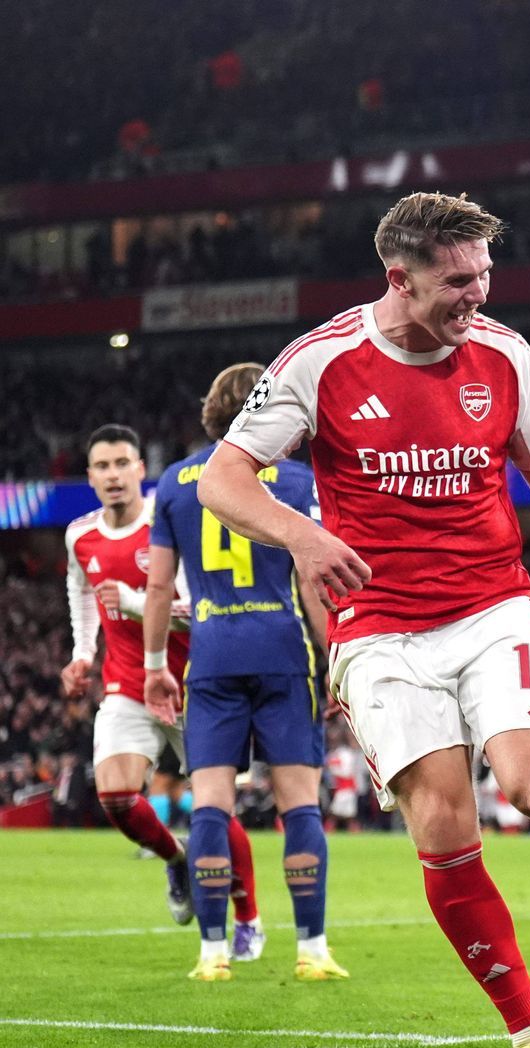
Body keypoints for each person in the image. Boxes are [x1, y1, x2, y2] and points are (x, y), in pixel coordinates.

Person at [199, 191, 530, 1048]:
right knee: (444, 826)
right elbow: (223, 481)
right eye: (459, 281)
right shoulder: (320, 362)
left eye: (486, 275)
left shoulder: (504, 355)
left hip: (493, 605)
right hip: (380, 629)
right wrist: (305, 537)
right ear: (400, 279)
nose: (479, 296)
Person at [142, 362, 347, 982]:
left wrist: (156, 666)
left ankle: (212, 954)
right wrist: (334, 656)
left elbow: (156, 585)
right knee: (299, 806)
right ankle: (311, 949)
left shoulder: (176, 483)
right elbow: (314, 579)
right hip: (284, 651)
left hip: (212, 655)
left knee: (209, 807)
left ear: (210, 409)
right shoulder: (294, 480)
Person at [63, 424, 251, 927]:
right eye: (103, 466)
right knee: (117, 798)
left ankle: (246, 919)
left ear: (141, 470)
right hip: (127, 682)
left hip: (195, 681)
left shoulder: (168, 524)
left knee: (218, 806)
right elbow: (81, 589)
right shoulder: (80, 534)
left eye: (123, 463)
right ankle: (178, 859)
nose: (113, 475)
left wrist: (129, 599)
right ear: (90, 477)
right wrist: (83, 652)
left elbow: (195, 607)